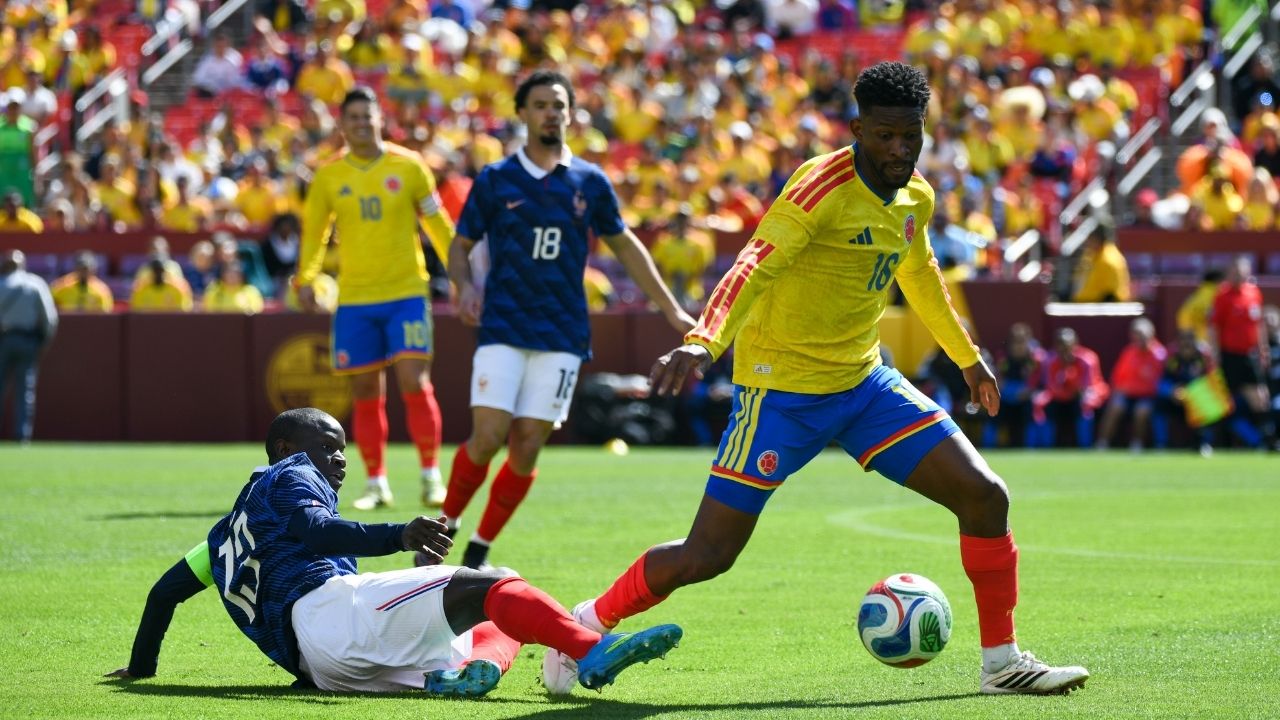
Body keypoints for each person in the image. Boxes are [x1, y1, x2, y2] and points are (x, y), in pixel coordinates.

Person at [552, 62, 1088, 696]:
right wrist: (702, 341)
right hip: (781, 394)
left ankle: (1002, 663)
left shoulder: (915, 194)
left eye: (910, 135)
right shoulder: (818, 188)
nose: (899, 149)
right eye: (885, 135)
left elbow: (920, 277)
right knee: (708, 556)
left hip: (865, 386)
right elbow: (754, 264)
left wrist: (967, 357)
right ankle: (582, 625)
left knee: (985, 496)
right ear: (858, 128)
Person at [105, 408, 682, 696]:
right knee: (488, 586)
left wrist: (142, 669)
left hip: (323, 666)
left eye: (342, 450)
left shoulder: (227, 533)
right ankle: (594, 650)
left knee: (497, 582)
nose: (339, 459)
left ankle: (467, 670)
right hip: (326, 618)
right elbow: (316, 531)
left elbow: (164, 594)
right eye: (328, 447)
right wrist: (397, 534)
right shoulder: (286, 474)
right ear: (286, 447)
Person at [442, 70, 695, 571]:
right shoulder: (496, 179)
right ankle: (445, 525)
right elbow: (460, 244)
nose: (550, 112)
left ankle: (481, 546)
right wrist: (464, 285)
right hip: (503, 325)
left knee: (529, 443)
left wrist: (671, 309)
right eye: (540, 104)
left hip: (561, 332)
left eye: (559, 104)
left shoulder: (590, 181)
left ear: (570, 112)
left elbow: (626, 245)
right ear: (522, 113)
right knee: (489, 435)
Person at [294, 86, 456, 511]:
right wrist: (307, 277)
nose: (362, 125)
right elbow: (315, 233)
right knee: (365, 389)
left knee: (414, 381)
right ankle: (376, 483)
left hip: (406, 292)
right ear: (342, 125)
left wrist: (462, 270)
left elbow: (437, 224)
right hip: (356, 299)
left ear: (380, 119)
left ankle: (430, 477)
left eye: (369, 117)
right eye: (353, 119)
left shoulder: (409, 166)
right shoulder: (329, 176)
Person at [1209, 255, 1274, 449]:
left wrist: (1263, 349)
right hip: (1228, 354)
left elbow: (1258, 324)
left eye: (1242, 273)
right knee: (1219, 399)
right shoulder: (1222, 295)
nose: (1238, 276)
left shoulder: (1253, 293)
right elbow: (1214, 327)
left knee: (1261, 397)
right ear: (1229, 274)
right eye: (1235, 273)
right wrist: (1215, 355)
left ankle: (1266, 439)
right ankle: (1206, 440)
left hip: (1248, 355)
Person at [0, 250, 57, 442]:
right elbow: (49, 319)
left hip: (4, 341)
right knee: (25, 391)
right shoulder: (36, 284)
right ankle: (22, 436)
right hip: (28, 341)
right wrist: (42, 343)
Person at [1095, 317, 1166, 451]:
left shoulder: (1159, 355)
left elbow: (1160, 382)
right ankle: (1102, 443)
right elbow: (1117, 378)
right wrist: (1117, 393)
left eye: (1142, 335)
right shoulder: (1129, 352)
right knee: (1116, 406)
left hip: (1148, 396)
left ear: (1151, 335)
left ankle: (1137, 443)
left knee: (1142, 411)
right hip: (1127, 395)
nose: (1139, 339)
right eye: (1136, 335)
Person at [1037, 327, 1108, 448]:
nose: (1065, 349)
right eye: (1060, 345)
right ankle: (1044, 446)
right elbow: (1050, 387)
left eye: (1068, 345)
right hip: (1060, 397)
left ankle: (1085, 446)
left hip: (1082, 397)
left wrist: (1070, 380)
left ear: (1075, 344)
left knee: (1086, 404)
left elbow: (1086, 388)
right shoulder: (1050, 361)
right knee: (1040, 403)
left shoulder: (1087, 359)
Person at [1071, 222, 1130, 302]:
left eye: (1090, 238)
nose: (1087, 242)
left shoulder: (1109, 259)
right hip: (1088, 307)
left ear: (1097, 239)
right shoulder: (1091, 255)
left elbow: (1111, 295)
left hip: (1103, 310)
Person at [50, 251, 114, 312]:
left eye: (86, 269)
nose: (83, 272)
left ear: (93, 270)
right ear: (75, 268)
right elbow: (50, 305)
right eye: (80, 269)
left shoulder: (101, 290)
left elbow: (106, 312)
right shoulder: (62, 286)